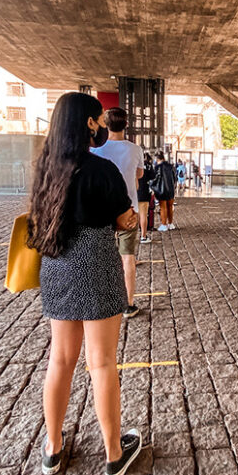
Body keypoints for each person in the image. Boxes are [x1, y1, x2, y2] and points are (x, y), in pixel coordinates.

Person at [26, 92, 142, 475]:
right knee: (103, 362)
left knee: (60, 360)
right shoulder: (101, 170)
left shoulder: (45, 170)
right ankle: (113, 454)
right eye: (97, 120)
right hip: (95, 263)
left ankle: (53, 448)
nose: (100, 127)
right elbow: (125, 220)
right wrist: (132, 221)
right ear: (89, 124)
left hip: (57, 265)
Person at [91, 107, 143, 318]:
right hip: (129, 209)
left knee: (100, 255)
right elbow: (139, 175)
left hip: (101, 211)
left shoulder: (95, 151)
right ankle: (128, 303)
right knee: (128, 256)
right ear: (126, 125)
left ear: (105, 124)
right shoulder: (135, 150)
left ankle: (101, 300)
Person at [153, 153, 177, 231]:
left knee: (163, 207)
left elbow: (154, 179)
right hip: (171, 190)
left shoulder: (157, 167)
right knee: (170, 206)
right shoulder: (171, 166)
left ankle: (164, 225)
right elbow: (174, 178)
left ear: (157, 159)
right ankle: (170, 223)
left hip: (161, 190)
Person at [137, 153, 154, 243]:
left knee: (132, 215)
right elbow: (153, 176)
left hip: (132, 192)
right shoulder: (148, 165)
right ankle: (143, 236)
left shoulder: (132, 162)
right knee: (143, 215)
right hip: (143, 192)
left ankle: (127, 237)